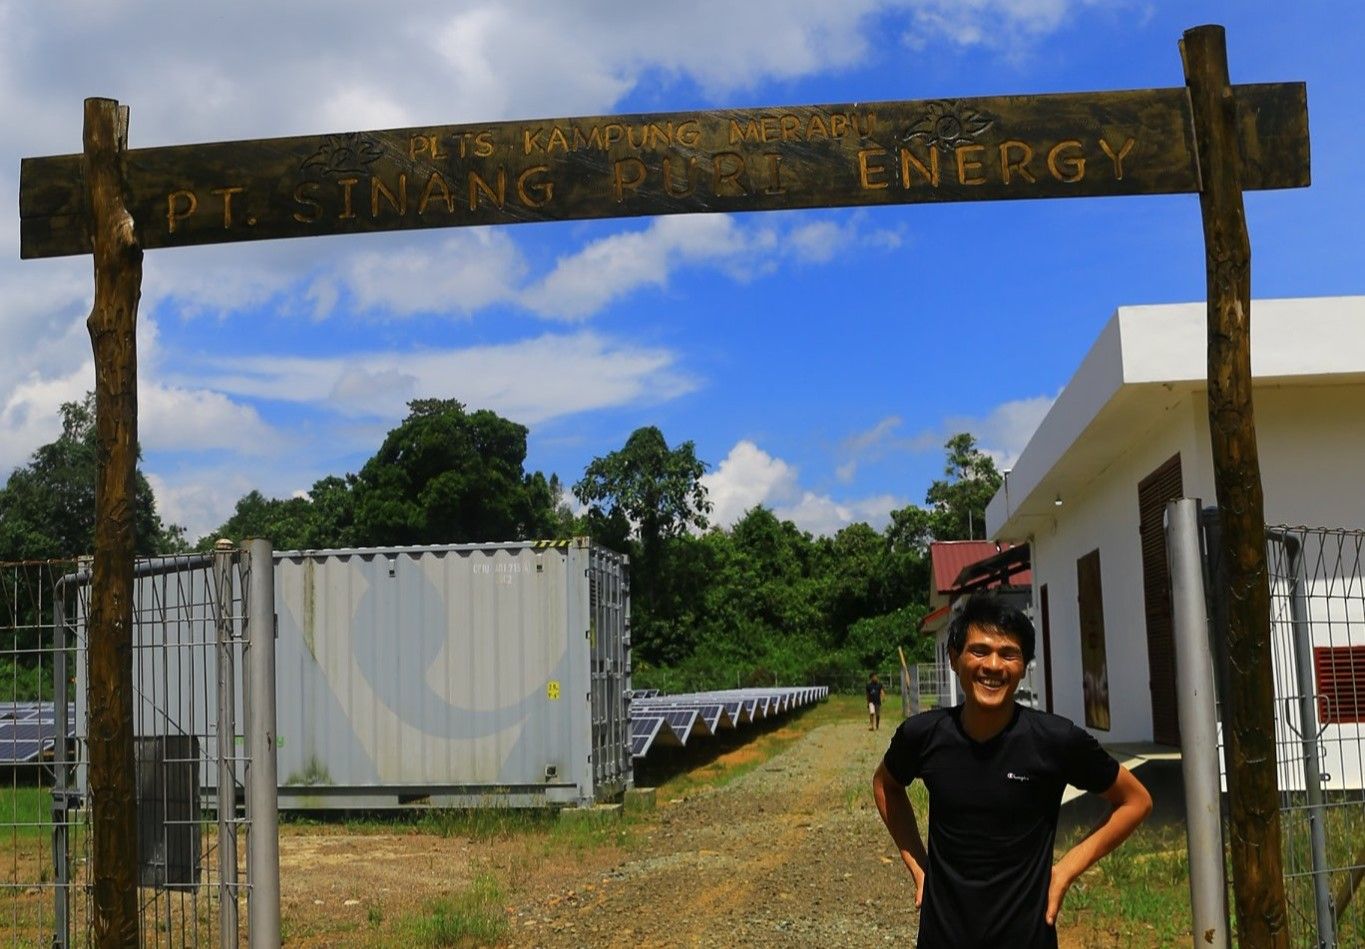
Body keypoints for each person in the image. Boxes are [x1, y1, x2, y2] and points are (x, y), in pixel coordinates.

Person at [872, 592, 1152, 948]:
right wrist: (917, 865)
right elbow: (886, 786)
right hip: (942, 937)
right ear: (954, 659)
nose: (993, 665)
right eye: (979, 651)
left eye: (1009, 654)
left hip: (1027, 936)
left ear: (1023, 666)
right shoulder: (923, 735)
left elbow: (1135, 801)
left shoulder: (1055, 739)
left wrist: (1065, 871)